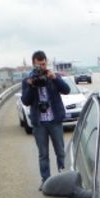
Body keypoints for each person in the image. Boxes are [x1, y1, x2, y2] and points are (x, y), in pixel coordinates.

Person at [21, 50, 70, 190]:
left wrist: (55, 78)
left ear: (46, 62)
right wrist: (31, 86)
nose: (41, 67)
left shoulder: (52, 76)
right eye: (38, 65)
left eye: (43, 64)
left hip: (54, 120)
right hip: (39, 123)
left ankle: (64, 179)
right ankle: (46, 182)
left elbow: (66, 90)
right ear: (33, 64)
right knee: (43, 154)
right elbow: (25, 101)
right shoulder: (27, 80)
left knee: (60, 152)